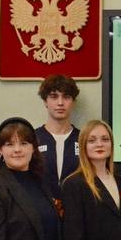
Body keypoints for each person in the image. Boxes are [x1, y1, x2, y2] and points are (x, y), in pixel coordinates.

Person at [36, 73, 81, 201]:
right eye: (54, 97)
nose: (60, 103)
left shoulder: (83, 139)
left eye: (66, 97)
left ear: (73, 102)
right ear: (45, 101)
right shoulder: (32, 139)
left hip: (75, 208)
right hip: (40, 209)